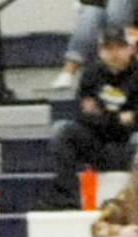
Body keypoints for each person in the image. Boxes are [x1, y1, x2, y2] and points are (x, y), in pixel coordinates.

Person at [46, 25, 138, 209]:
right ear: (100, 51)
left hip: (128, 146)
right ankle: (67, 200)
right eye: (108, 48)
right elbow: (84, 117)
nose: (115, 53)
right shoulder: (91, 74)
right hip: (98, 145)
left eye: (120, 47)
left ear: (131, 49)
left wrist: (104, 117)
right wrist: (120, 119)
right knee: (62, 130)